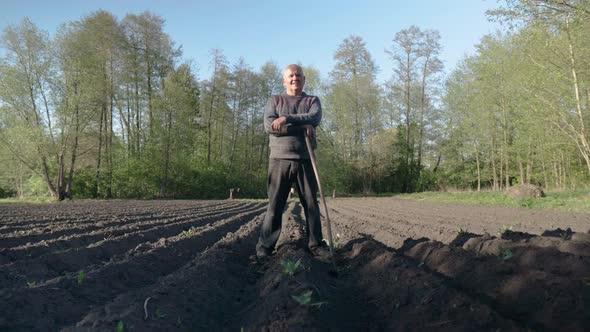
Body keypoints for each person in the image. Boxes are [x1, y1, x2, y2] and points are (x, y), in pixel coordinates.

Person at [256, 64, 330, 259]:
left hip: (306, 159)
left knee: (311, 204)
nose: (294, 78)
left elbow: (314, 117)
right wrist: (302, 125)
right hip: (279, 159)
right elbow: (269, 126)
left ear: (304, 79)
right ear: (284, 80)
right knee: (275, 205)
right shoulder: (274, 100)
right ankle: (264, 249)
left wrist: (286, 118)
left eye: (298, 75)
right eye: (291, 76)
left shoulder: (312, 100)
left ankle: (316, 245)